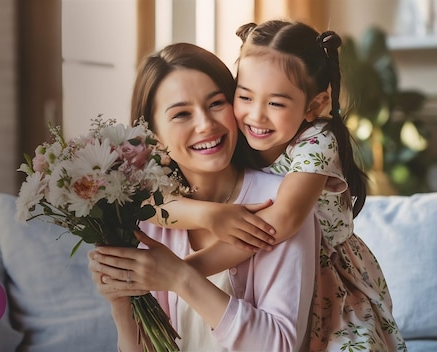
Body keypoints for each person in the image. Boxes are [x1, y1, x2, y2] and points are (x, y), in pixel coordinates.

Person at [152, 20, 407, 351]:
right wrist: (209, 215)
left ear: (315, 105)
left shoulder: (317, 141)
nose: (256, 116)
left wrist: (184, 272)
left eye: (275, 103)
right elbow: (151, 205)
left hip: (333, 285)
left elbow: (281, 221)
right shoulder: (238, 138)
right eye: (244, 96)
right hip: (283, 276)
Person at [88, 42, 321, 351]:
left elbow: (279, 345)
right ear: (152, 138)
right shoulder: (145, 217)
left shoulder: (280, 202)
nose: (206, 124)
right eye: (182, 114)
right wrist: (119, 300)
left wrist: (180, 277)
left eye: (216, 104)